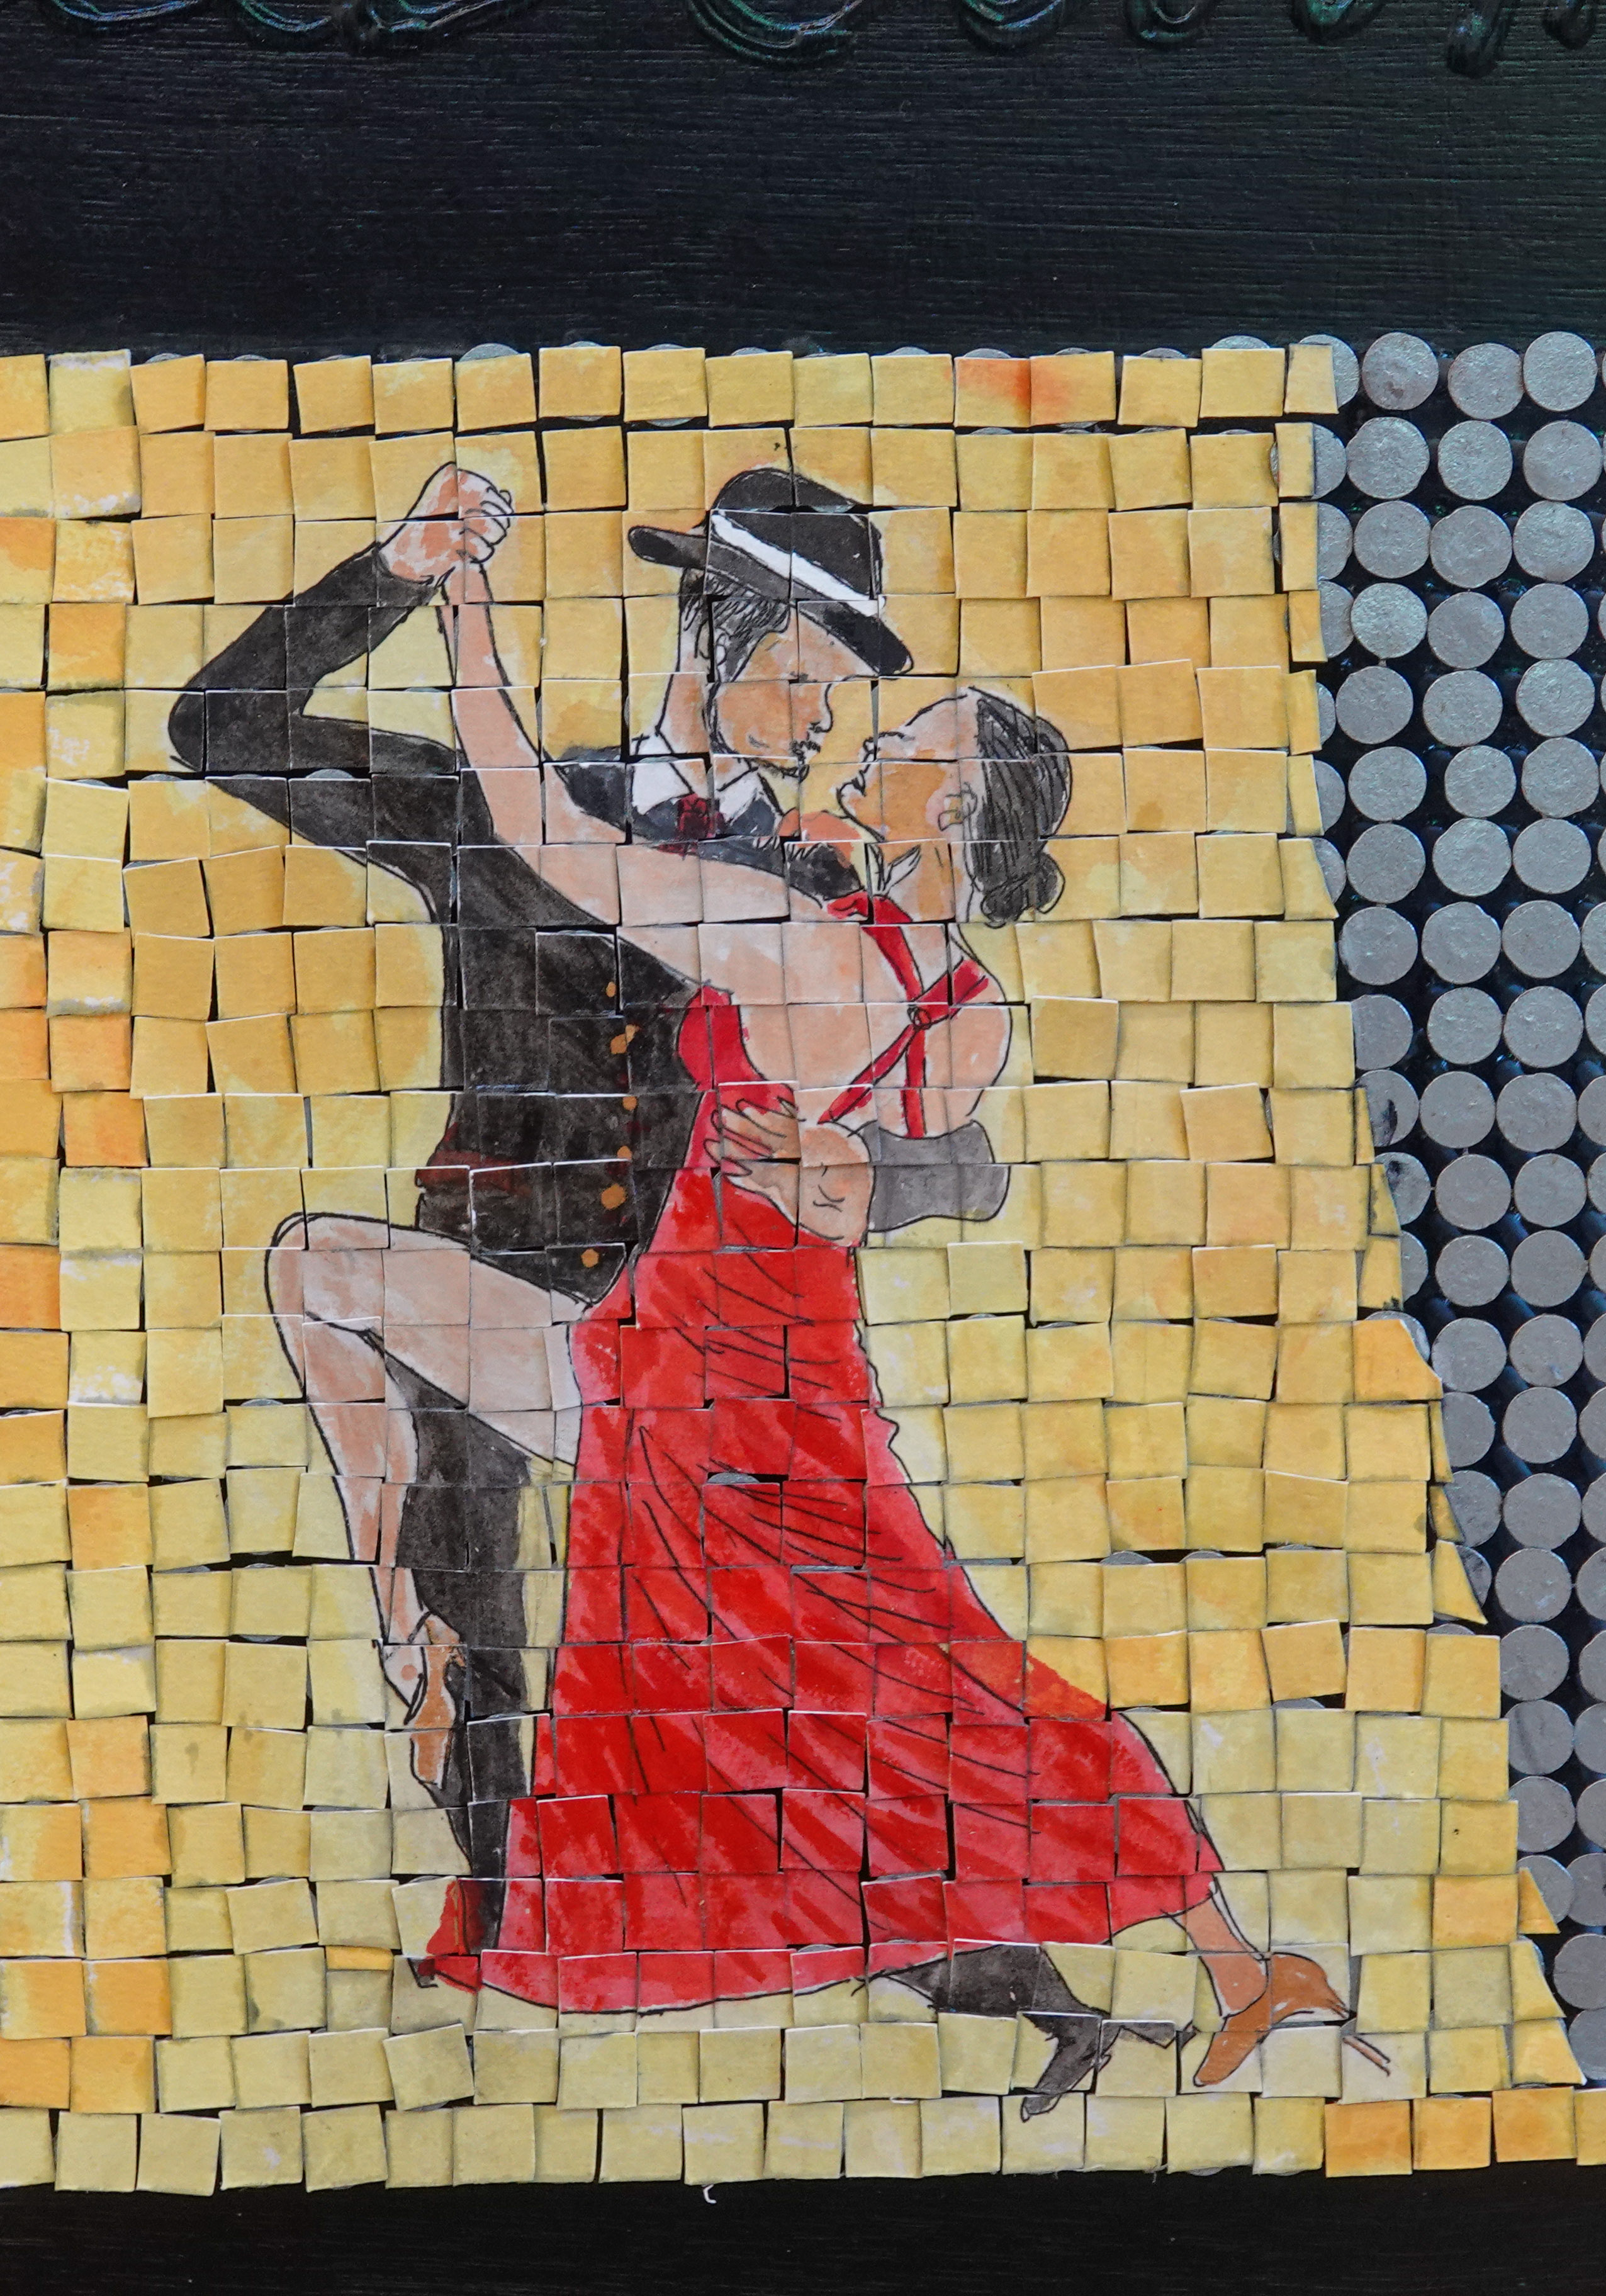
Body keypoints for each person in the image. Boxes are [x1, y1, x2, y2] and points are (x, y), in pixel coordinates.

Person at [396, 570, 1375, 2112]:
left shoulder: (798, 941)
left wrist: (467, 626)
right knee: (921, 1674)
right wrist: (865, 1169)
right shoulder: (965, 1004)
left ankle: (1235, 1965)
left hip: (704, 1364)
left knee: (863, 1679)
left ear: (953, 806)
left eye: (914, 744)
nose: (873, 739)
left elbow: (542, 830)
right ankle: (1243, 1965)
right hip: (797, 1360)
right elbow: (914, 1141)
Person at [167, 463, 1003, 1946]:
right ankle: (498, 1922)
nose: (825, 717)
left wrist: (889, 1178)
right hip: (479, 1275)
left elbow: (973, 1125)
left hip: (688, 1330)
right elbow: (219, 729)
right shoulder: (497, 808)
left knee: (783, 1681)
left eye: (840, 689)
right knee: (469, 1631)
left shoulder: (826, 886)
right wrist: (395, 573)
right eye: (803, 672)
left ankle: (931, 1946)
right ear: (713, 632)